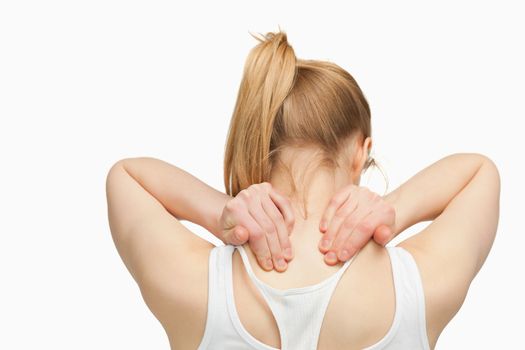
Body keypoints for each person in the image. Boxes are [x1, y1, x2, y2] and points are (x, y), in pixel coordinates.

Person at [105, 30, 500, 349]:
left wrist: (223, 213)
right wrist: (390, 211)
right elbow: (481, 173)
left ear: (258, 145)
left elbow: (125, 176)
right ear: (362, 153)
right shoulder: (415, 288)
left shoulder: (198, 287)